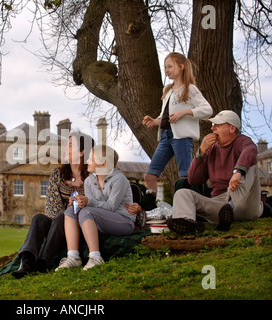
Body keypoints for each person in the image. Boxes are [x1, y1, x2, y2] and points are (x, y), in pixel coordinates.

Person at [11, 132, 95, 278]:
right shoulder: (58, 174)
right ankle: (26, 262)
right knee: (39, 218)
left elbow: (99, 201)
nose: (65, 149)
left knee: (64, 215)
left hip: (82, 225)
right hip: (57, 226)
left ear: (82, 152)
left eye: (70, 146)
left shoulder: (93, 175)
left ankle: (43, 261)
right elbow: (51, 207)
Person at [167, 110, 264, 234]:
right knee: (182, 193)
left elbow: (250, 150)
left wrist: (238, 172)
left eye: (217, 125)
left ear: (232, 128)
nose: (212, 128)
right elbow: (193, 180)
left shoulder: (242, 141)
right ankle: (188, 223)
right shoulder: (212, 149)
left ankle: (231, 207)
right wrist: (201, 152)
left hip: (245, 204)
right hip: (220, 206)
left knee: (250, 166)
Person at [142, 52, 213, 210]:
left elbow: (207, 110)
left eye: (170, 66)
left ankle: (190, 208)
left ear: (181, 67)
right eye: (165, 67)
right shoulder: (167, 90)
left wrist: (186, 112)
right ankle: (152, 209)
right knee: (150, 175)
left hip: (181, 137)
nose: (166, 70)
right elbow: (164, 116)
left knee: (185, 177)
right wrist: (155, 121)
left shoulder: (190, 89)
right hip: (165, 137)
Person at [55, 145, 136, 271]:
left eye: (91, 159)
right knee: (71, 210)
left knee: (87, 212)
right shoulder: (89, 180)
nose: (87, 162)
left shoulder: (119, 179)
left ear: (102, 164)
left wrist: (87, 202)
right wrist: (79, 202)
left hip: (123, 221)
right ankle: (73, 257)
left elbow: (111, 207)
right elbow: (90, 205)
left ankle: (95, 257)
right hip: (100, 219)